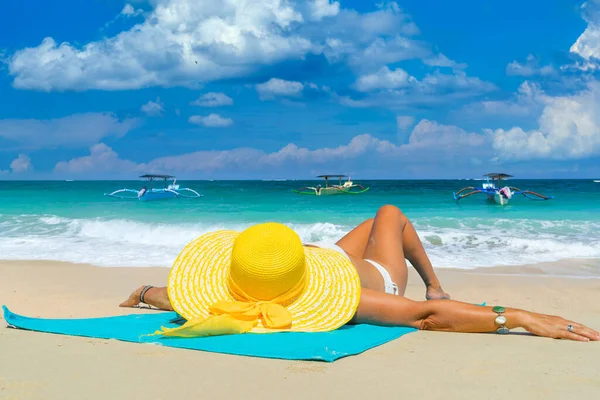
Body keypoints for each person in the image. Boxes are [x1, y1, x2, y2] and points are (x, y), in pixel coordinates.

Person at [120, 205, 599, 341]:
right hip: (369, 276)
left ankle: (397, 253)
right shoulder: (352, 300)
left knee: (371, 223)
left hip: (308, 262)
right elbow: (424, 314)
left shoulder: (229, 290)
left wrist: (144, 292)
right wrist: (514, 316)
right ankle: (433, 273)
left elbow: (173, 296)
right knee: (389, 215)